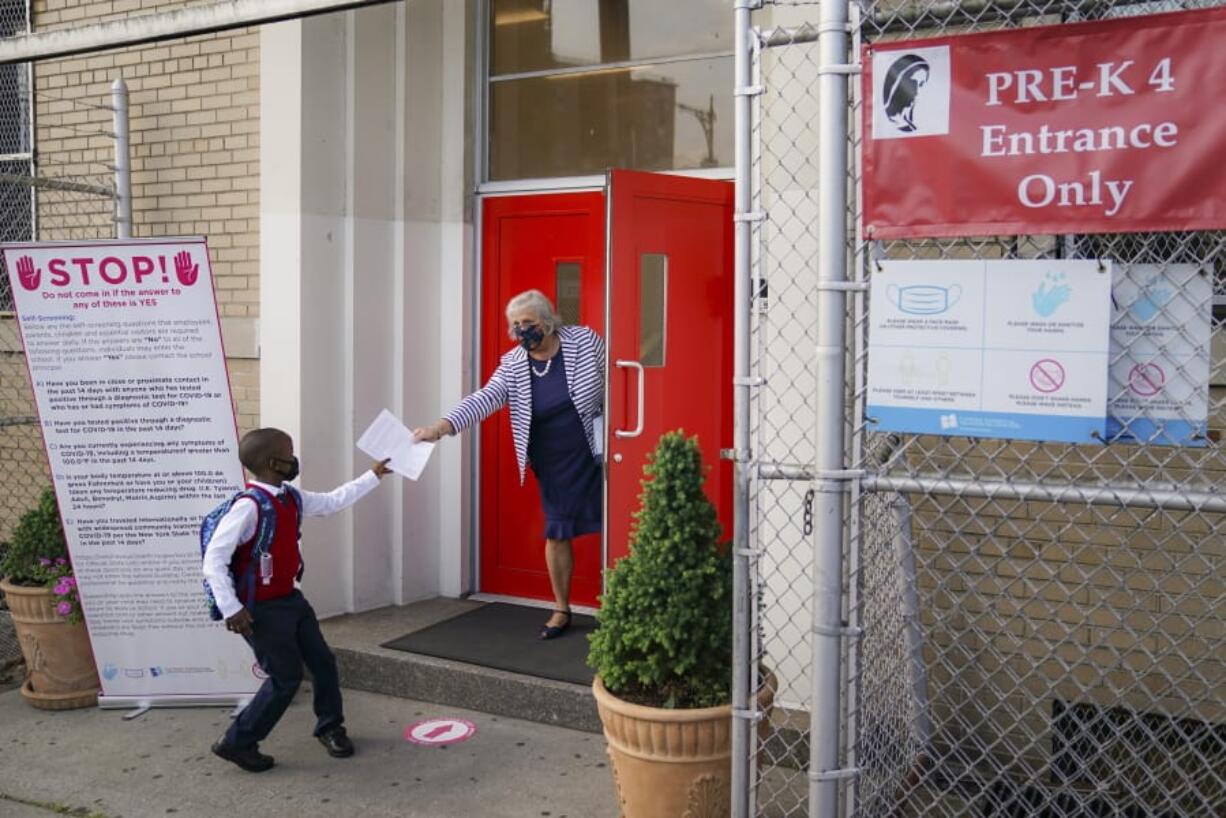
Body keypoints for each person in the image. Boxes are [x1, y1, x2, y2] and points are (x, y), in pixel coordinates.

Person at [414, 289, 604, 640]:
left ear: (548, 321)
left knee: (615, 524)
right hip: (553, 460)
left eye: (528, 323)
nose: (521, 331)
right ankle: (562, 608)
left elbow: (616, 380)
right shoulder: (514, 364)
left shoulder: (585, 341)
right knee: (558, 531)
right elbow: (484, 398)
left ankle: (622, 605)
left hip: (597, 452)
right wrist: (440, 428)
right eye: (515, 325)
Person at [202, 427, 392, 773]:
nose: (294, 458)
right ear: (274, 462)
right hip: (259, 610)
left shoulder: (290, 496)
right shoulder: (247, 508)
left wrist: (372, 475)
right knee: (285, 678)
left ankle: (331, 727)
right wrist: (232, 607)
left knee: (323, 662)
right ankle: (238, 741)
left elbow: (333, 501)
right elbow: (214, 560)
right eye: (289, 452)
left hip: (290, 599)